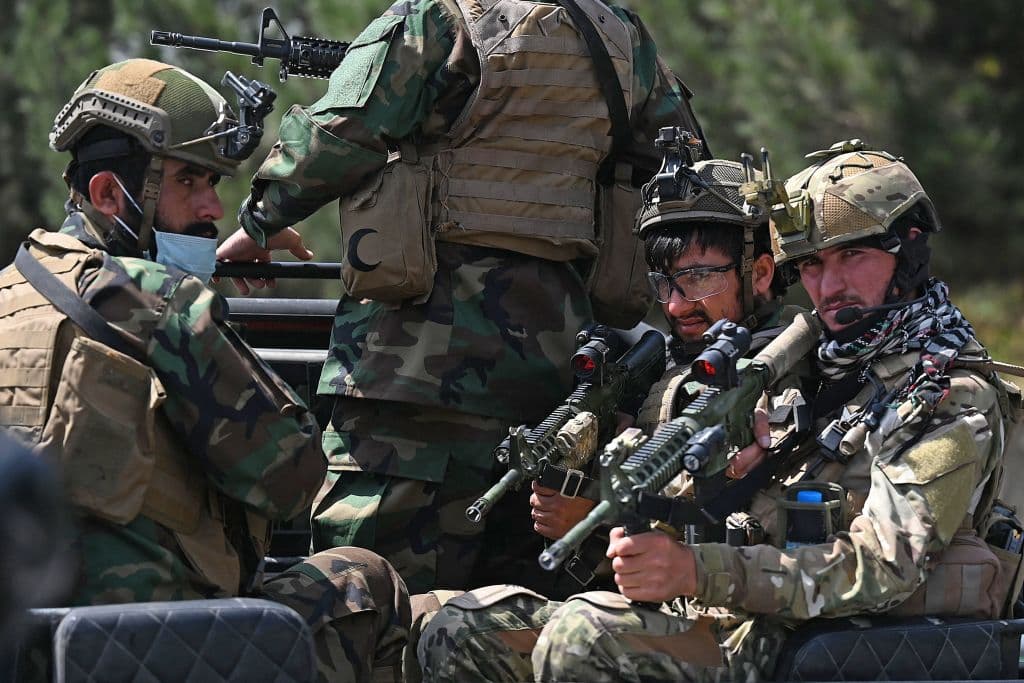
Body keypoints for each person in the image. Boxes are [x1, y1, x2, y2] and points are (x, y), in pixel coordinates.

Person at [417, 140, 1019, 682]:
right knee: (461, 629)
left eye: (852, 255)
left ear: (907, 250)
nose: (829, 284)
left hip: (817, 639)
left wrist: (697, 571)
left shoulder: (943, 393)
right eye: (812, 264)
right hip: (730, 616)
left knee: (584, 638)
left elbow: (884, 568)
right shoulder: (811, 363)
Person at [215, 0, 707, 595]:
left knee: (371, 598)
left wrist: (260, 219)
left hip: (413, 374)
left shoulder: (438, 16)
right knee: (514, 613)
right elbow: (686, 166)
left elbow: (340, 132)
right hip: (553, 384)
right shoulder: (620, 36)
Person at [0, 59, 408, 683]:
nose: (212, 205)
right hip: (162, 646)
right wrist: (191, 305)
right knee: (366, 580)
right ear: (109, 194)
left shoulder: (12, 295)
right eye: (187, 180)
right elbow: (293, 477)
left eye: (213, 182)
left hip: (30, 651)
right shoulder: (162, 304)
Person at [415, 152, 804, 681]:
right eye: (666, 283)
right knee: (454, 627)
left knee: (577, 636)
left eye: (697, 278)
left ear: (759, 273)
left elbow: (762, 530)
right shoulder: (666, 369)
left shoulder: (786, 372)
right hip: (650, 608)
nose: (676, 306)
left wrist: (596, 521)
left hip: (741, 625)